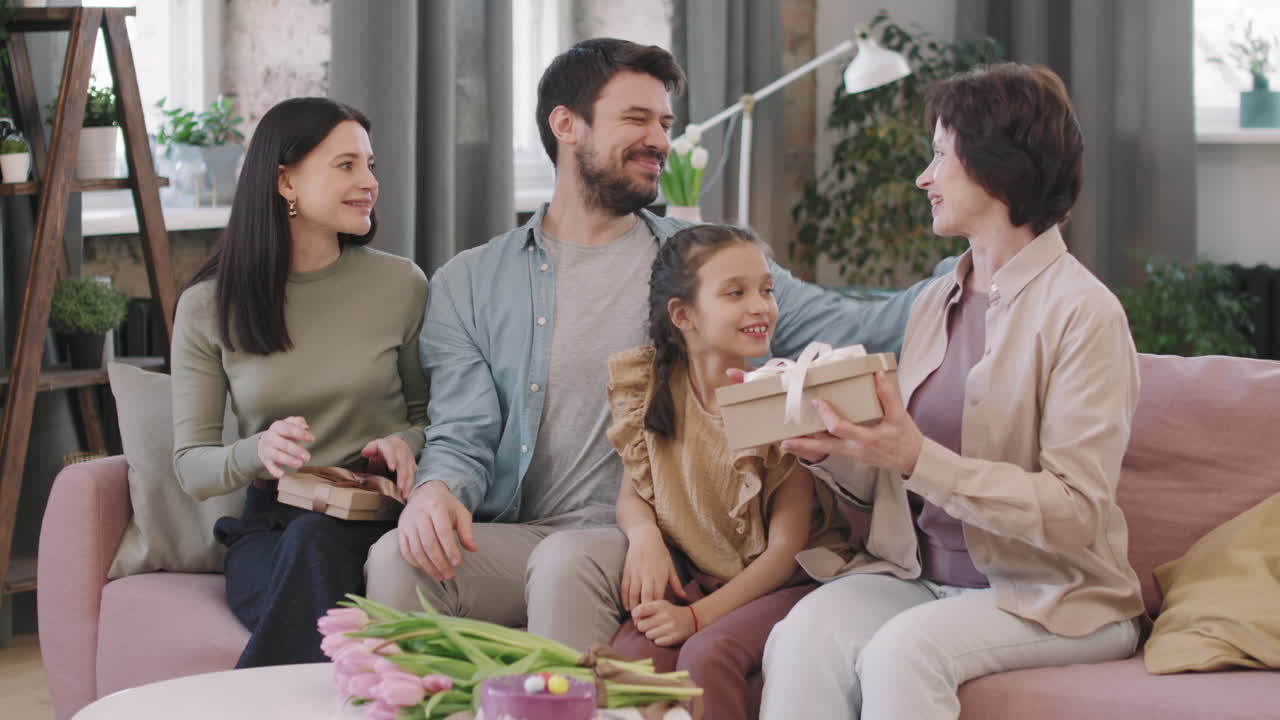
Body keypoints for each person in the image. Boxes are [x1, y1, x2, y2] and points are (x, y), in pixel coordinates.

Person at [364, 37, 949, 651]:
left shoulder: (701, 262)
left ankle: (578, 695)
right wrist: (435, 490)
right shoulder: (468, 282)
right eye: (637, 119)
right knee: (397, 557)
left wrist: (969, 270)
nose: (660, 140)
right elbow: (462, 433)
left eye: (665, 124)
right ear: (566, 125)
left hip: (652, 540)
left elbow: (856, 326)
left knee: (563, 562)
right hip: (524, 531)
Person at [758, 63, 1146, 719]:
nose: (924, 177)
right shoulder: (937, 301)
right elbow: (898, 474)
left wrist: (917, 458)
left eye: (940, 154)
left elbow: (1075, 511)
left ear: (996, 165)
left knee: (901, 653)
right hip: (921, 577)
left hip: (1054, 593)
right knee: (803, 635)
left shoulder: (1085, 313)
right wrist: (832, 450)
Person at [171, 97, 429, 667]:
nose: (369, 182)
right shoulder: (207, 307)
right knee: (306, 548)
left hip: (374, 519)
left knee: (315, 544)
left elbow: (432, 415)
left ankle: (248, 703)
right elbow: (191, 466)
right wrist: (257, 451)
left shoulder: (401, 285)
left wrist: (405, 442)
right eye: (346, 165)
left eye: (370, 165)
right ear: (285, 181)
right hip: (271, 527)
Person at [605, 224, 851, 720]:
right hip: (706, 578)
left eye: (766, 290)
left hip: (794, 582)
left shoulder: (780, 401)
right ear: (683, 315)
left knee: (708, 655)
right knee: (627, 661)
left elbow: (785, 553)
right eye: (736, 293)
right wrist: (644, 535)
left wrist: (695, 618)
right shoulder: (651, 387)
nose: (761, 306)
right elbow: (634, 494)